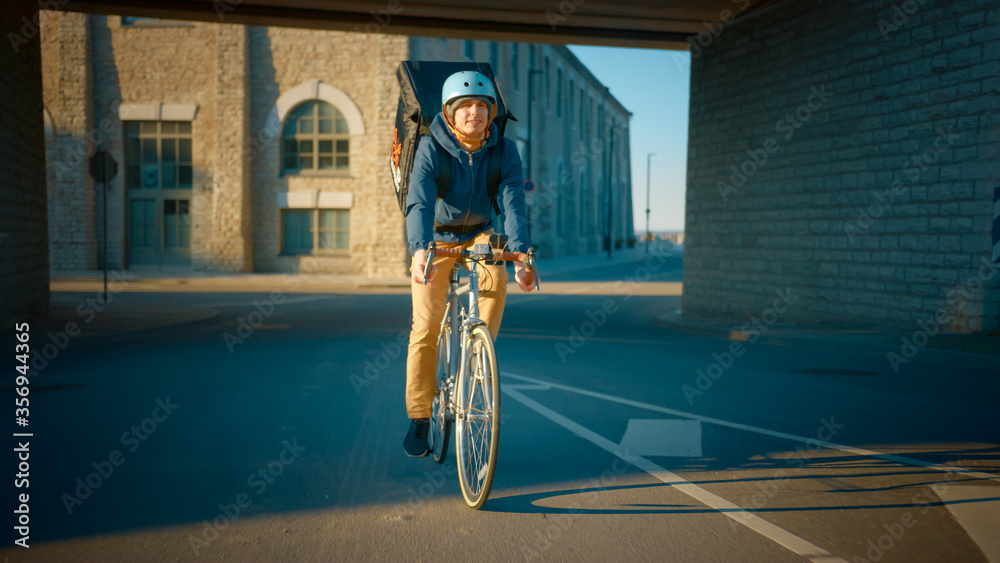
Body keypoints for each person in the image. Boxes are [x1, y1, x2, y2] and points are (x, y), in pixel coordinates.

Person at [402, 70, 534, 457]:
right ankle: (419, 416)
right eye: (466, 106)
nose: (475, 112)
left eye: (482, 106)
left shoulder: (504, 150)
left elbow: (514, 202)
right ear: (449, 112)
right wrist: (420, 249)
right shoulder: (430, 147)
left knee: (495, 281)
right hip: (437, 236)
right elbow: (420, 202)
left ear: (491, 113)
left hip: (480, 231)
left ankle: (477, 355)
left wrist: (522, 254)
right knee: (425, 325)